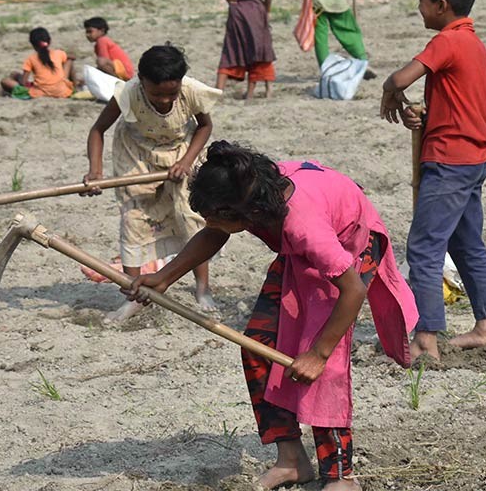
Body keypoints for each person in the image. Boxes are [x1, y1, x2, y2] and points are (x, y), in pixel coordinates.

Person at [126, 141, 418, 490]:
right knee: (258, 346)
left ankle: (341, 475)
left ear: (244, 214)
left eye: (217, 216)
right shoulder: (247, 192)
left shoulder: (302, 225)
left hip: (349, 242)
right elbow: (214, 232)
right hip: (305, 248)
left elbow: (352, 289)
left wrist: (319, 352)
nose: (210, 223)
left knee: (323, 365)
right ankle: (292, 460)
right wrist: (163, 278)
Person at [379, 0, 486, 361]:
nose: (418, 7)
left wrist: (389, 92)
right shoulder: (474, 43)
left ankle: (426, 335)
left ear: (441, 5)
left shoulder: (448, 41)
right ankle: (485, 325)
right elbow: (460, 104)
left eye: (421, 0)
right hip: (471, 157)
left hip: (450, 161)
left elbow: (400, 78)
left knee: (424, 247)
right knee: (467, 243)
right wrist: (426, 116)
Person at [84, 44, 222, 319]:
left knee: (192, 219)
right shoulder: (128, 93)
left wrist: (186, 162)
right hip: (138, 155)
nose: (163, 100)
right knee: (134, 220)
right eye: (156, 93)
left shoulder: (190, 90)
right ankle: (132, 294)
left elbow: (205, 126)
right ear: (141, 80)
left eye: (171, 93)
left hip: (182, 152)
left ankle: (203, 288)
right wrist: (95, 171)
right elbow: (98, 130)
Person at [0, 27, 75, 98]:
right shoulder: (59, 53)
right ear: (49, 41)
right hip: (62, 91)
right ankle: (75, 84)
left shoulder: (31, 58)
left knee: (5, 81)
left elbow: (23, 82)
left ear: (33, 44)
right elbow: (72, 57)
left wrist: (21, 80)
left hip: (41, 93)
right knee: (69, 61)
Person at [82, 17, 135, 81]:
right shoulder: (101, 41)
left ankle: (118, 80)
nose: (87, 35)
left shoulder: (102, 41)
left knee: (100, 61)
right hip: (120, 69)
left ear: (101, 30)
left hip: (124, 71)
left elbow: (103, 62)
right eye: (86, 32)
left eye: (90, 31)